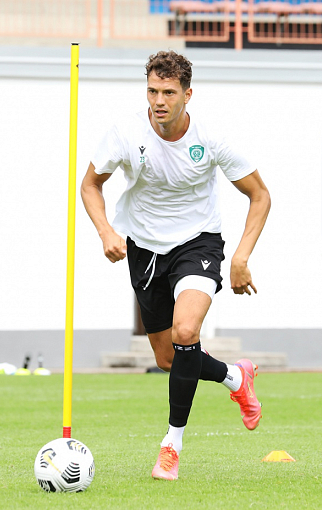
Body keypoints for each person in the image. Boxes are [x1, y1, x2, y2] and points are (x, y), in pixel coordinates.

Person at [80, 50, 271, 481]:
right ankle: (235, 378)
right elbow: (90, 185)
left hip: (197, 242)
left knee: (186, 332)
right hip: (144, 248)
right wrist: (106, 231)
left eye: (168, 92)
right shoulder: (126, 132)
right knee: (169, 358)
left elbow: (260, 195)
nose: (158, 101)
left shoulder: (212, 138)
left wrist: (241, 256)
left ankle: (172, 446)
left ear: (188, 94)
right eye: (152, 91)